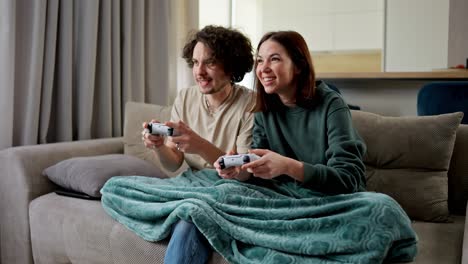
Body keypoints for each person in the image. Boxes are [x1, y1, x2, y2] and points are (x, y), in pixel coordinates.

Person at [141, 25, 255, 264]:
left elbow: (244, 172)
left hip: (228, 191)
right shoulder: (185, 97)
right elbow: (174, 163)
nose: (199, 71)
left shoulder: (250, 104)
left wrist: (200, 145)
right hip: (191, 187)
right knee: (113, 188)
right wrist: (160, 146)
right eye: (194, 62)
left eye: (210, 62)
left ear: (231, 66)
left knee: (188, 221)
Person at [215, 30, 366, 194]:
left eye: (274, 59)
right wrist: (241, 171)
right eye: (259, 61)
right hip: (284, 196)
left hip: (330, 197)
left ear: (299, 66)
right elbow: (260, 169)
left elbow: (349, 178)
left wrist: (288, 166)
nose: (263, 68)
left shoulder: (333, 105)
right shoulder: (264, 109)